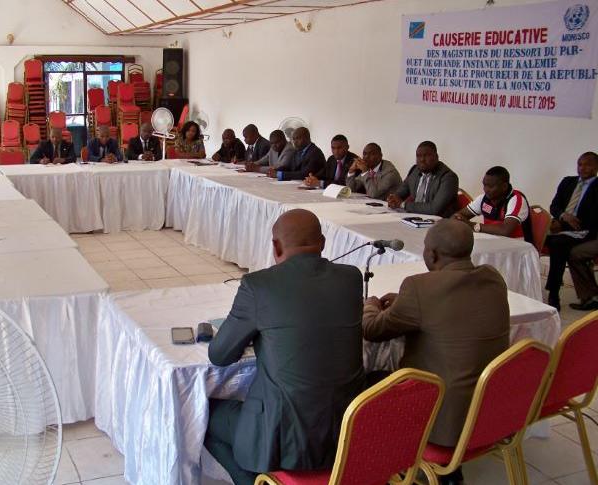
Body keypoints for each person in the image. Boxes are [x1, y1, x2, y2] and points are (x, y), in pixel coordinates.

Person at [205, 209, 365, 485]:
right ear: (323, 243)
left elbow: (219, 355)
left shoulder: (258, 285)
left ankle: (255, 478)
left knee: (203, 416)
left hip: (281, 434)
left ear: (276, 247)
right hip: (343, 431)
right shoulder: (351, 278)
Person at [363, 219, 509, 485]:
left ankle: (385, 464)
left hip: (442, 420)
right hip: (491, 411)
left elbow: (372, 330)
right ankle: (449, 473)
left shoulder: (418, 287)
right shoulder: (493, 278)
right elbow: (451, 307)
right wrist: (405, 304)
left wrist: (370, 304)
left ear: (431, 254)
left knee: (365, 384)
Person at [545, 152, 598, 311]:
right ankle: (586, 297)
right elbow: (554, 206)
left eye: (587, 165)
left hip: (585, 231)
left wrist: (567, 224)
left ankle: (554, 293)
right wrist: (563, 216)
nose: (582, 168)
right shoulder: (567, 182)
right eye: (580, 164)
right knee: (550, 242)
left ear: (596, 167)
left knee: (557, 244)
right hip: (562, 228)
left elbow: (594, 217)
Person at [452, 166, 533, 241]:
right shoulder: (483, 198)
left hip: (517, 245)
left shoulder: (516, 199)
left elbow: (505, 230)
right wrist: (457, 219)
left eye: (490, 186)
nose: (486, 189)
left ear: (504, 186)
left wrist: (473, 225)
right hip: (492, 242)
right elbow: (459, 215)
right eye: (484, 185)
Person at [387, 141, 459, 217]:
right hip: (414, 217)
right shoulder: (415, 170)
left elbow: (434, 209)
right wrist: (393, 199)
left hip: (438, 220)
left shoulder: (448, 177)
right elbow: (401, 192)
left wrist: (403, 204)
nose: (422, 159)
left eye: (426, 155)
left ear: (436, 157)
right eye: (418, 156)